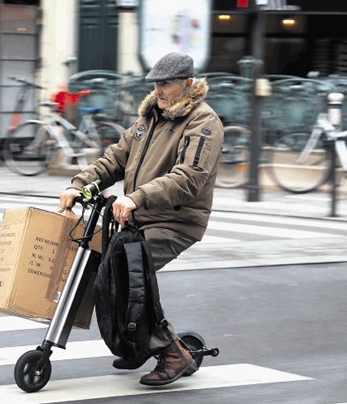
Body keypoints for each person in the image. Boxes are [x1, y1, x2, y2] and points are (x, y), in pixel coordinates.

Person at [59, 52, 224, 387]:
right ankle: (138, 344)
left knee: (125, 272)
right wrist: (78, 185)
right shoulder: (149, 119)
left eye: (166, 84)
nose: (159, 90)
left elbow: (188, 178)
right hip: (139, 218)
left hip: (175, 222)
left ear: (187, 84)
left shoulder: (203, 123)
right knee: (106, 268)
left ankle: (171, 352)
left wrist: (136, 197)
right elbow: (114, 160)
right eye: (155, 84)